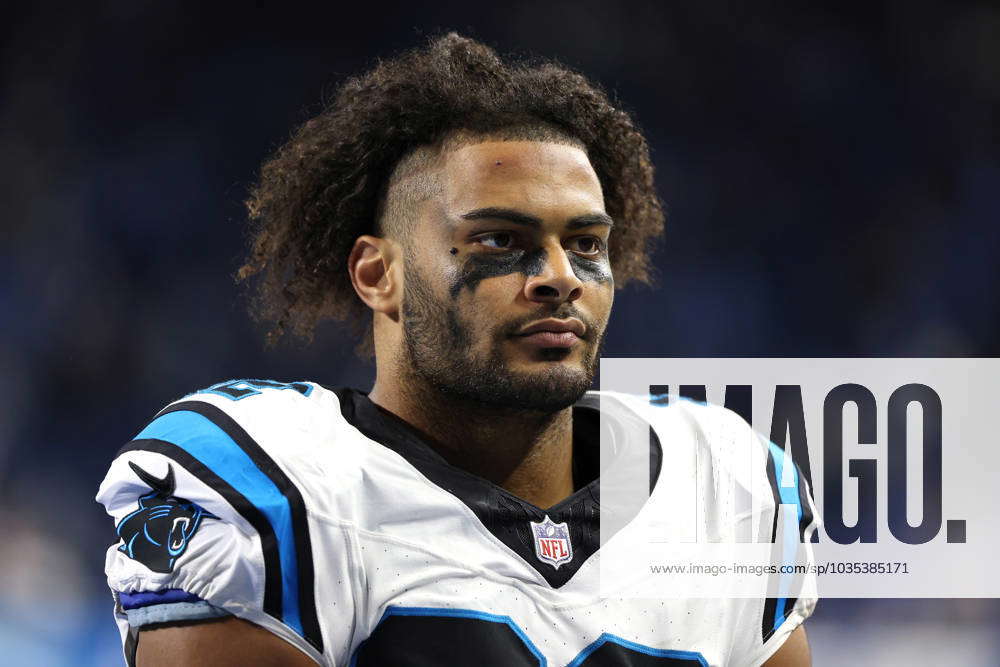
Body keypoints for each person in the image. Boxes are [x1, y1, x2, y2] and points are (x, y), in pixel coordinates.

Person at [97, 33, 817, 666]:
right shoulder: (273, 493)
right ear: (379, 275)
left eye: (586, 244)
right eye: (501, 240)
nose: (561, 278)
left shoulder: (726, 485)